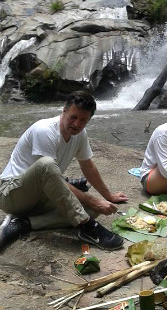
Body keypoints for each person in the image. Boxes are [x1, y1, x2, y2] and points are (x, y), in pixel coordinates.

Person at [0, 91, 128, 251]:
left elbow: (88, 165)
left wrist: (108, 196)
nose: (76, 124)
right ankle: (87, 227)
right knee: (46, 165)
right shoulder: (45, 130)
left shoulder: (80, 134)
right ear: (64, 111)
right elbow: (51, 176)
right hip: (12, 194)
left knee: (91, 210)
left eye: (83, 120)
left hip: (41, 196)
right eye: (73, 117)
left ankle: (22, 223)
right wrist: (94, 200)